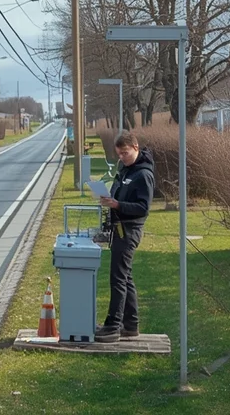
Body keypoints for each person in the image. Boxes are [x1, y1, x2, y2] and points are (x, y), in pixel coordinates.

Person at [96, 130, 155, 342]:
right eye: (119, 154)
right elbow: (117, 193)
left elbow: (143, 207)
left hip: (130, 230)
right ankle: (131, 325)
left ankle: (113, 325)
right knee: (126, 277)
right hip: (118, 228)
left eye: (125, 153)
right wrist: (110, 199)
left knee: (118, 278)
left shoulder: (143, 175)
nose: (121, 157)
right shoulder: (125, 169)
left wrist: (118, 204)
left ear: (136, 148)